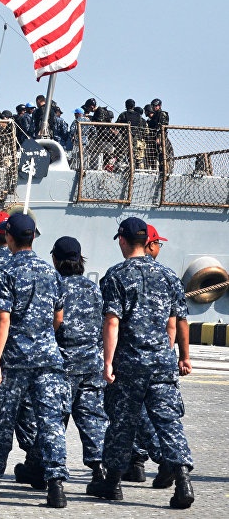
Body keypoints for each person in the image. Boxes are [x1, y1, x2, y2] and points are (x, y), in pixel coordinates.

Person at [0, 213, 70, 508]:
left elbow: (2, 319)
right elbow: (58, 317)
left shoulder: (6, 272)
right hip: (48, 359)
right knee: (50, 422)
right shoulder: (50, 273)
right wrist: (42, 338)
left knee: (3, 421)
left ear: (8, 237)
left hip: (16, 360)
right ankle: (56, 484)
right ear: (33, 237)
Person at [89, 218, 194, 509]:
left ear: (122, 240)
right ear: (147, 241)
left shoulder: (116, 275)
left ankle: (112, 483)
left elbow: (112, 322)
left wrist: (107, 362)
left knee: (122, 424)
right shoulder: (168, 275)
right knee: (168, 422)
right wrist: (181, 356)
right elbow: (177, 322)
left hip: (129, 364)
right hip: (161, 362)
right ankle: (183, 479)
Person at [50, 236, 107, 489]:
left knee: (53, 420)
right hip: (91, 363)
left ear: (56, 259)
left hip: (62, 363)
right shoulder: (94, 288)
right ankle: (100, 469)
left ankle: (50, 473)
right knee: (93, 419)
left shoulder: (56, 286)